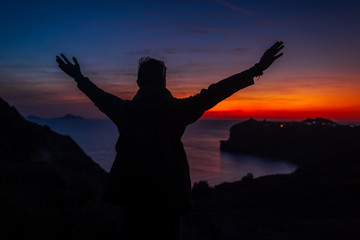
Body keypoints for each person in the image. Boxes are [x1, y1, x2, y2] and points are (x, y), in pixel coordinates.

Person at [56, 41, 284, 239]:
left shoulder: (125, 110)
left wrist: (78, 76)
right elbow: (217, 92)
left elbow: (98, 95)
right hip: (168, 202)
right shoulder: (176, 110)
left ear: (138, 82)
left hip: (133, 200)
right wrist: (258, 68)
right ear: (163, 82)